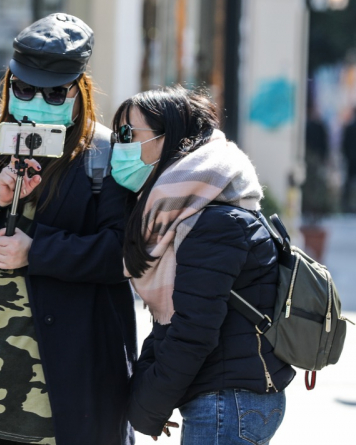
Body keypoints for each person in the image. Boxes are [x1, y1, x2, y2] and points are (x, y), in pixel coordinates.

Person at [0, 14, 137, 445]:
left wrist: (37, 251)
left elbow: (121, 252)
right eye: (24, 89)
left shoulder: (104, 155)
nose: (36, 101)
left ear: (79, 91)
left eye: (55, 92)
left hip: (61, 395)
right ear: (8, 83)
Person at [114, 87, 294, 444]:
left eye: (127, 135)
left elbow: (193, 331)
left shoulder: (215, 223)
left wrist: (147, 404)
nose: (120, 148)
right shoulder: (196, 211)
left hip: (228, 403)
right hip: (229, 399)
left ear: (170, 139)